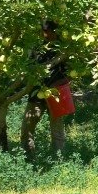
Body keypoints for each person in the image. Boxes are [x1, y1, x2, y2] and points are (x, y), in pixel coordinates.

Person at [20, 21, 68, 157]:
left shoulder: (62, 49)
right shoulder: (37, 47)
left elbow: (69, 74)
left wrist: (55, 85)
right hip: (37, 94)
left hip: (55, 94)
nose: (46, 34)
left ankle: (59, 158)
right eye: (44, 31)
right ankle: (27, 157)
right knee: (27, 127)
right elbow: (28, 67)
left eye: (49, 31)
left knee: (57, 130)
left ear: (55, 32)